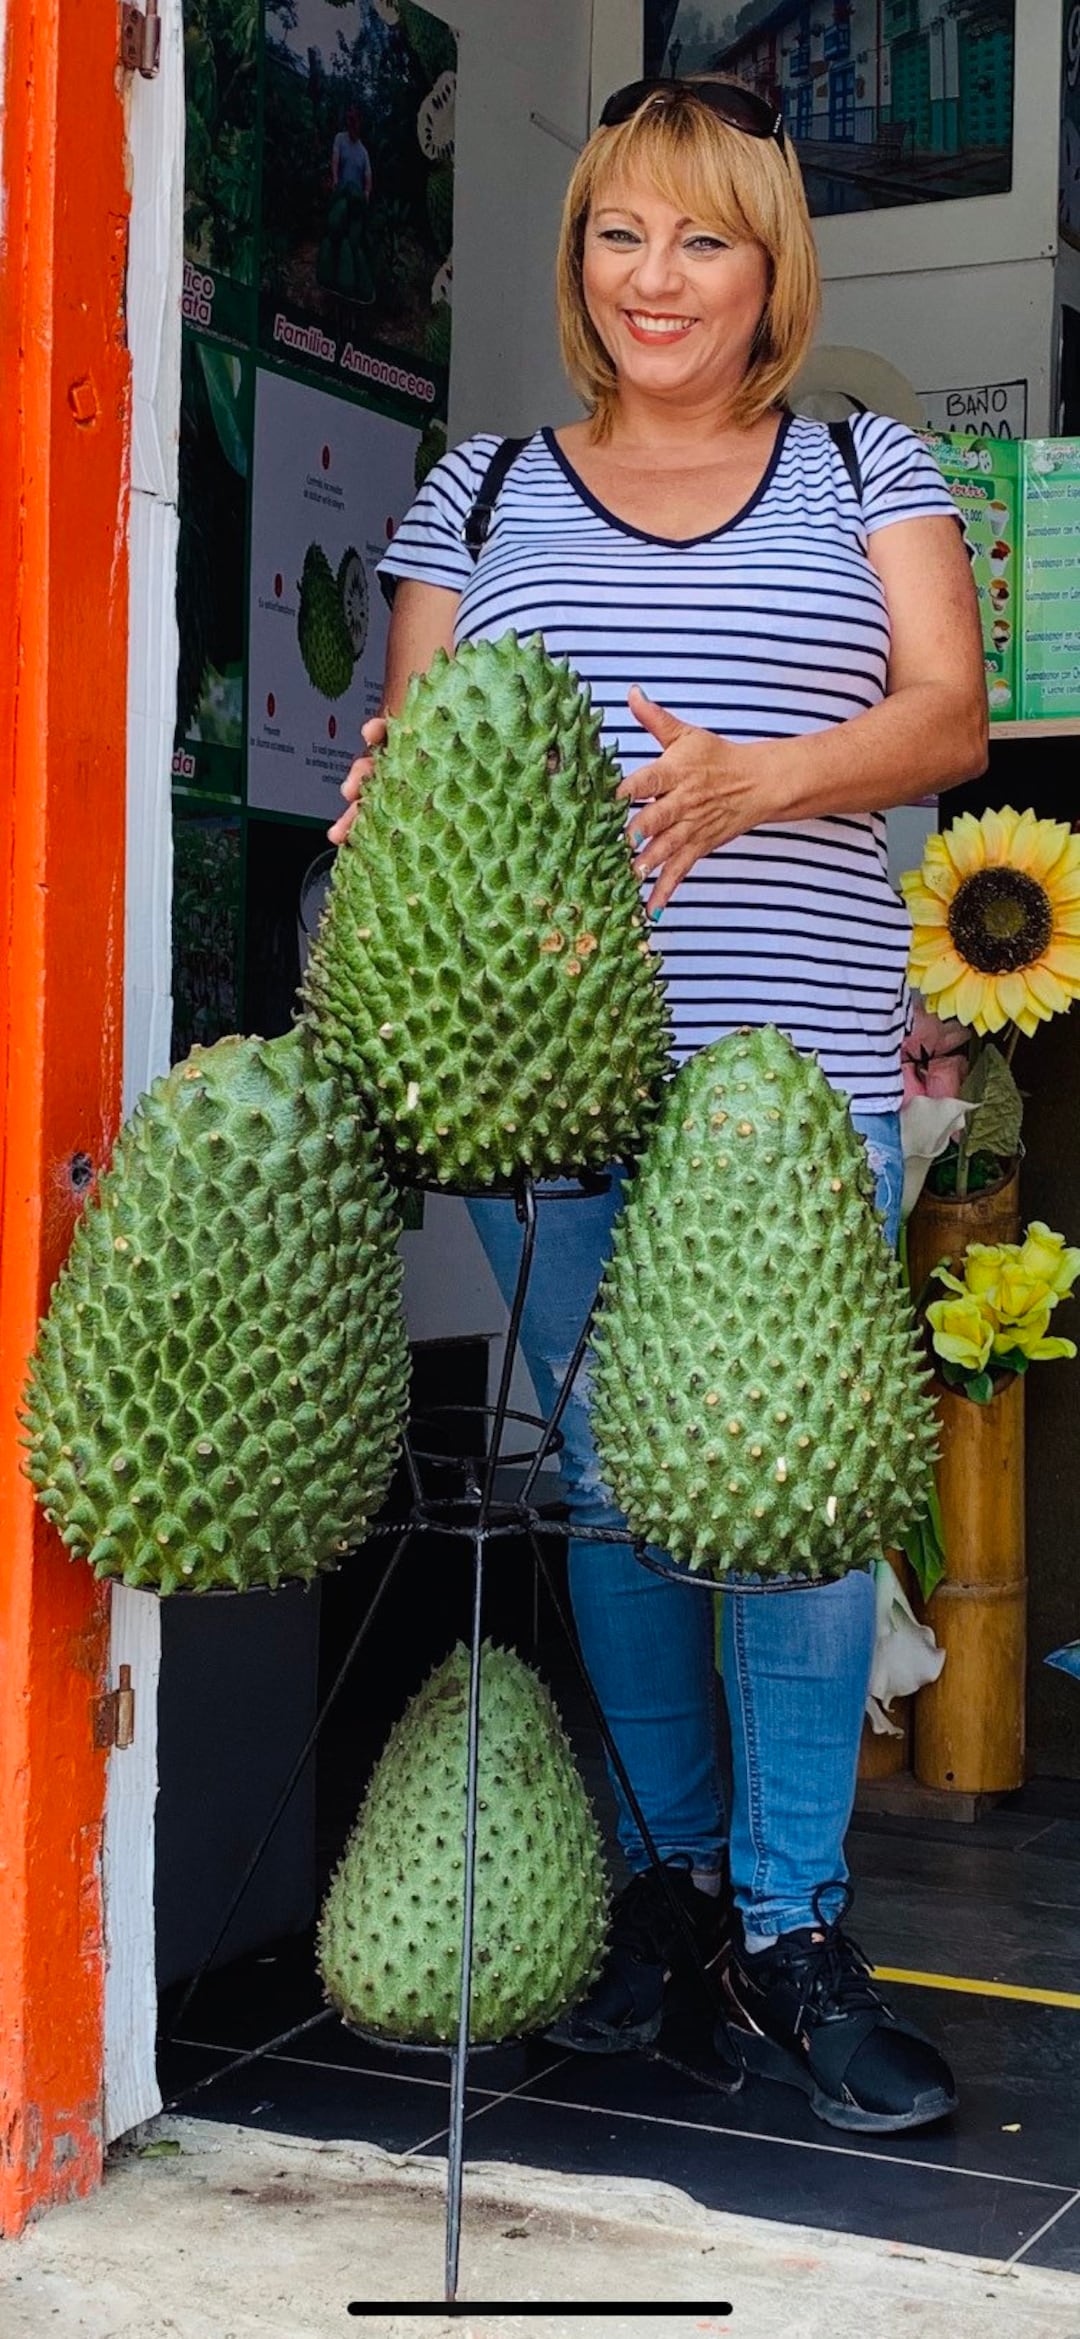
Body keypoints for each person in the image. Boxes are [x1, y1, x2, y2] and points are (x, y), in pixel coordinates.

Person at [328, 77, 987, 2134]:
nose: (657, 278)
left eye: (703, 237)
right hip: (551, 1073)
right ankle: (672, 1878)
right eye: (621, 233)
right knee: (613, 1489)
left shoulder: (866, 461)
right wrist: (383, 804)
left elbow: (943, 709)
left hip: (783, 1075)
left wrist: (748, 779)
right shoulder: (488, 491)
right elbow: (422, 757)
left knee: (787, 1516)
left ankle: (795, 1924)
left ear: (769, 260)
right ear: (580, 258)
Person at [331, 105, 373, 202]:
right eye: (350, 120)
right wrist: (335, 179)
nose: (352, 124)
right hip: (340, 193)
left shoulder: (364, 152)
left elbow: (368, 178)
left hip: (355, 198)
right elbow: (335, 161)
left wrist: (366, 193)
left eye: (354, 121)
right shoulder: (340, 138)